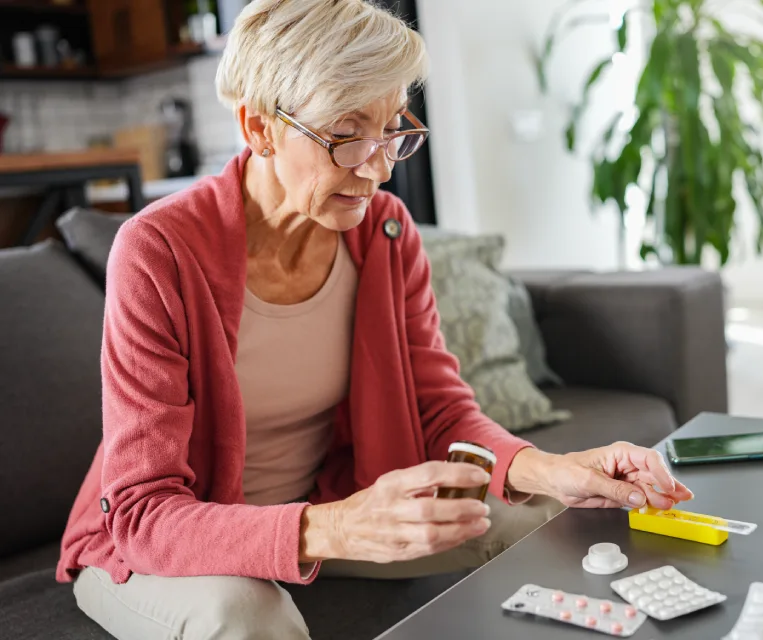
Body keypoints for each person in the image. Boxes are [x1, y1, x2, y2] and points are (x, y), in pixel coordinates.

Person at [56, 1, 694, 638]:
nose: (379, 167)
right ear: (259, 128)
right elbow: (144, 512)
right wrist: (337, 527)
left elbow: (439, 411)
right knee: (247, 614)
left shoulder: (386, 235)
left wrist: (551, 470)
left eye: (392, 130)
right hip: (169, 544)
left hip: (314, 509)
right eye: (346, 133)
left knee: (538, 521)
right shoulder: (158, 250)